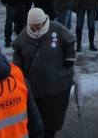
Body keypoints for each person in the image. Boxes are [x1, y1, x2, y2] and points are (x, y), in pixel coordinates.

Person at [12, 8, 75, 138]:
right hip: (34, 87)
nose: (36, 28)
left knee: (52, 120)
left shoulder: (56, 28)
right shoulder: (24, 36)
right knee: (36, 121)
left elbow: (70, 40)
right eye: (33, 25)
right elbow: (17, 59)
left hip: (56, 84)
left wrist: (69, 58)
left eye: (38, 24)